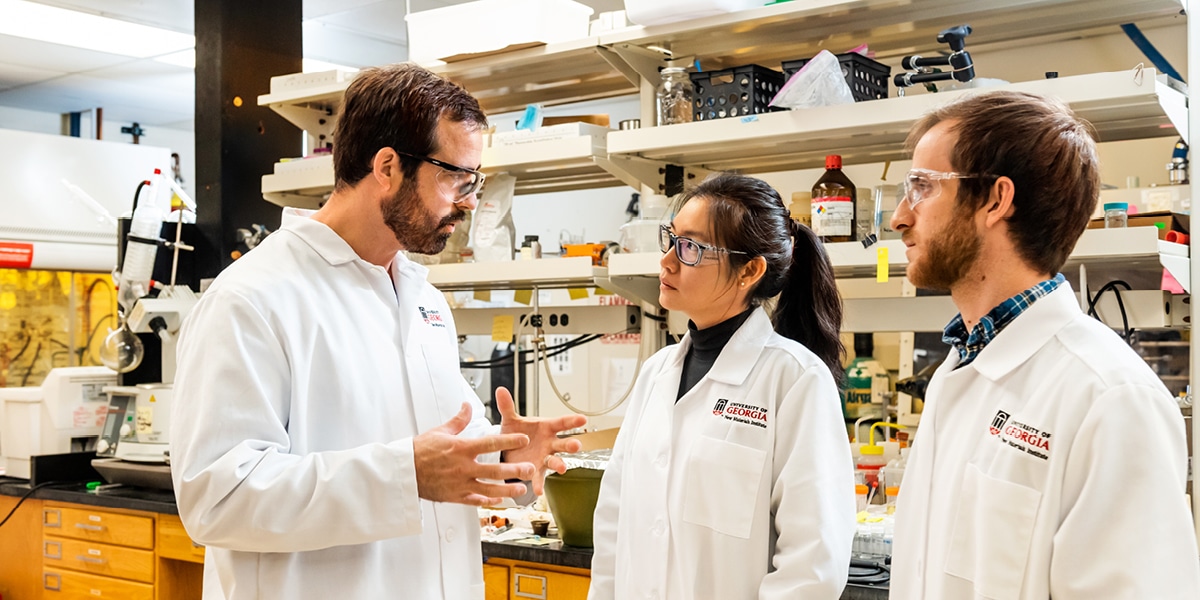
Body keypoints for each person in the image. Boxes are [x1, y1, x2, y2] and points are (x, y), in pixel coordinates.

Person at [170, 63, 586, 600]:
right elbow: (217, 499)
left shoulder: (424, 302)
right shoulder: (253, 298)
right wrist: (403, 476)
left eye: (474, 181)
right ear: (387, 167)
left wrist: (505, 460)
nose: (470, 201)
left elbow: (443, 456)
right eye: (456, 178)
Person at [888, 90, 1200, 599]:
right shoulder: (957, 370)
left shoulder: (1110, 398)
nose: (900, 216)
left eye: (921, 186)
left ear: (995, 200)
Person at [589, 173, 856, 600]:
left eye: (691, 247)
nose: (668, 261)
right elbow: (613, 526)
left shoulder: (794, 380)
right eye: (671, 239)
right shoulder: (656, 374)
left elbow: (813, 564)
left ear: (748, 270)